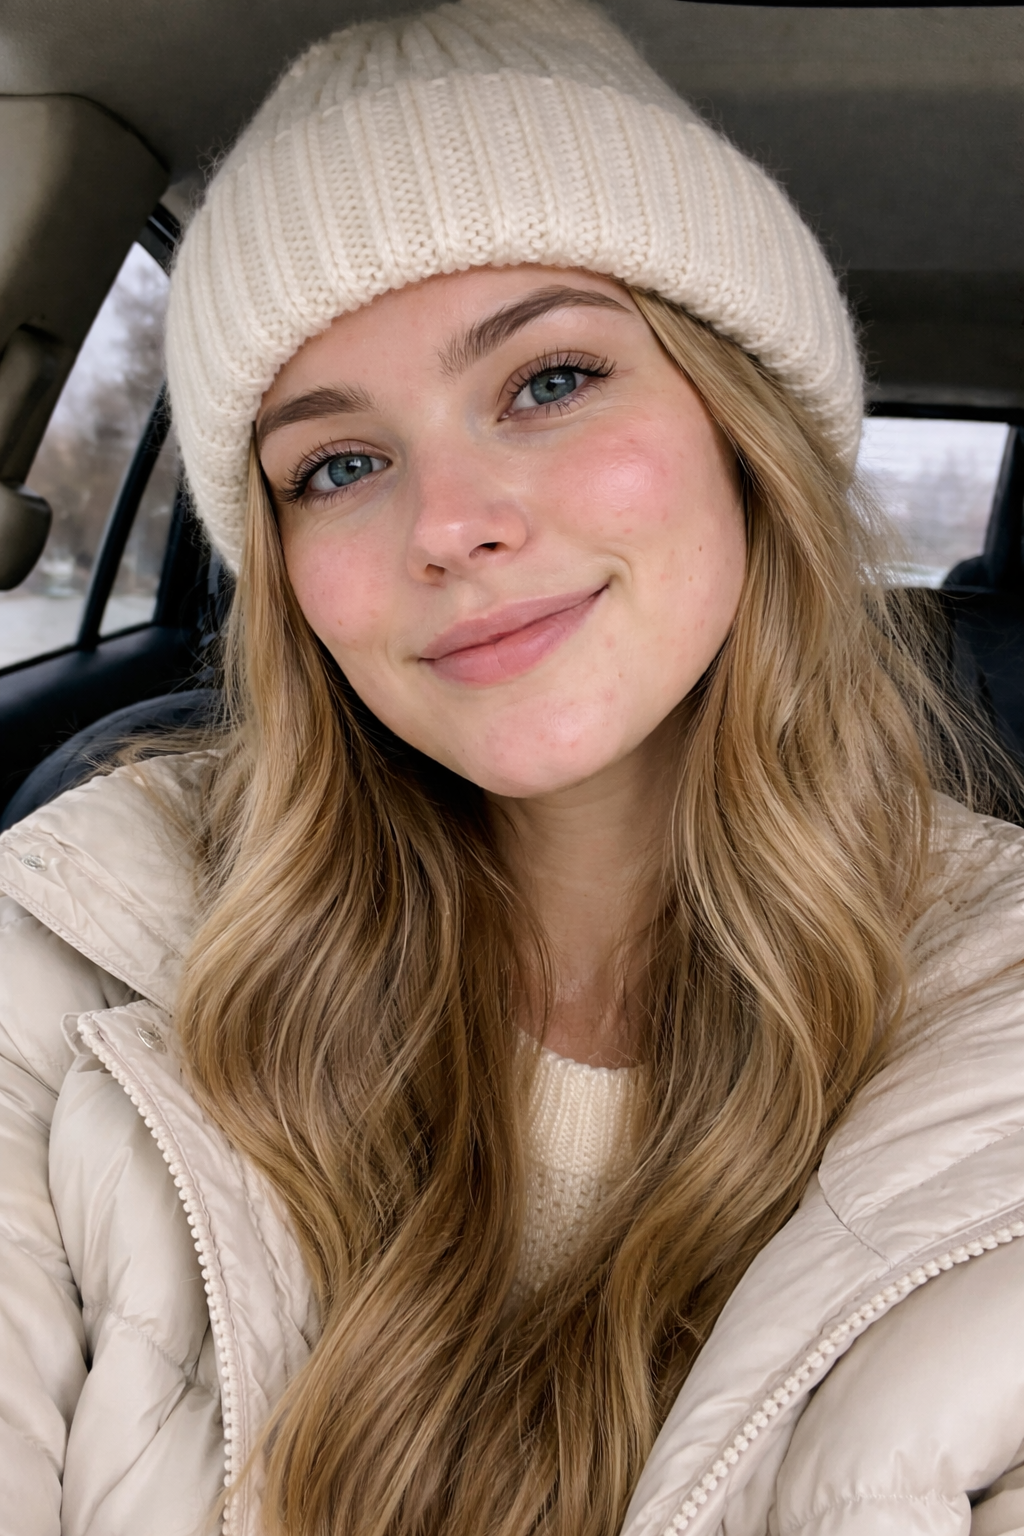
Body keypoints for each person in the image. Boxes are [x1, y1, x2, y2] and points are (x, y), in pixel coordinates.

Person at [1, 1, 1023, 1532]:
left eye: (549, 381)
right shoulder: (73, 949)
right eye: (337, 464)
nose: (446, 522)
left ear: (748, 434)